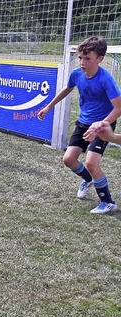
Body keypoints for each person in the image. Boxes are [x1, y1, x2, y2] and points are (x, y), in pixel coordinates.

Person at [38, 36, 121, 214]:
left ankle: (108, 202)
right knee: (68, 159)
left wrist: (103, 123)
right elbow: (66, 89)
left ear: (100, 59)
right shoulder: (76, 74)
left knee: (91, 162)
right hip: (83, 123)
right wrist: (48, 107)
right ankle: (88, 179)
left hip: (102, 126)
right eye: (80, 58)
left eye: (87, 58)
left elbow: (119, 107)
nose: (82, 62)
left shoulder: (105, 79)